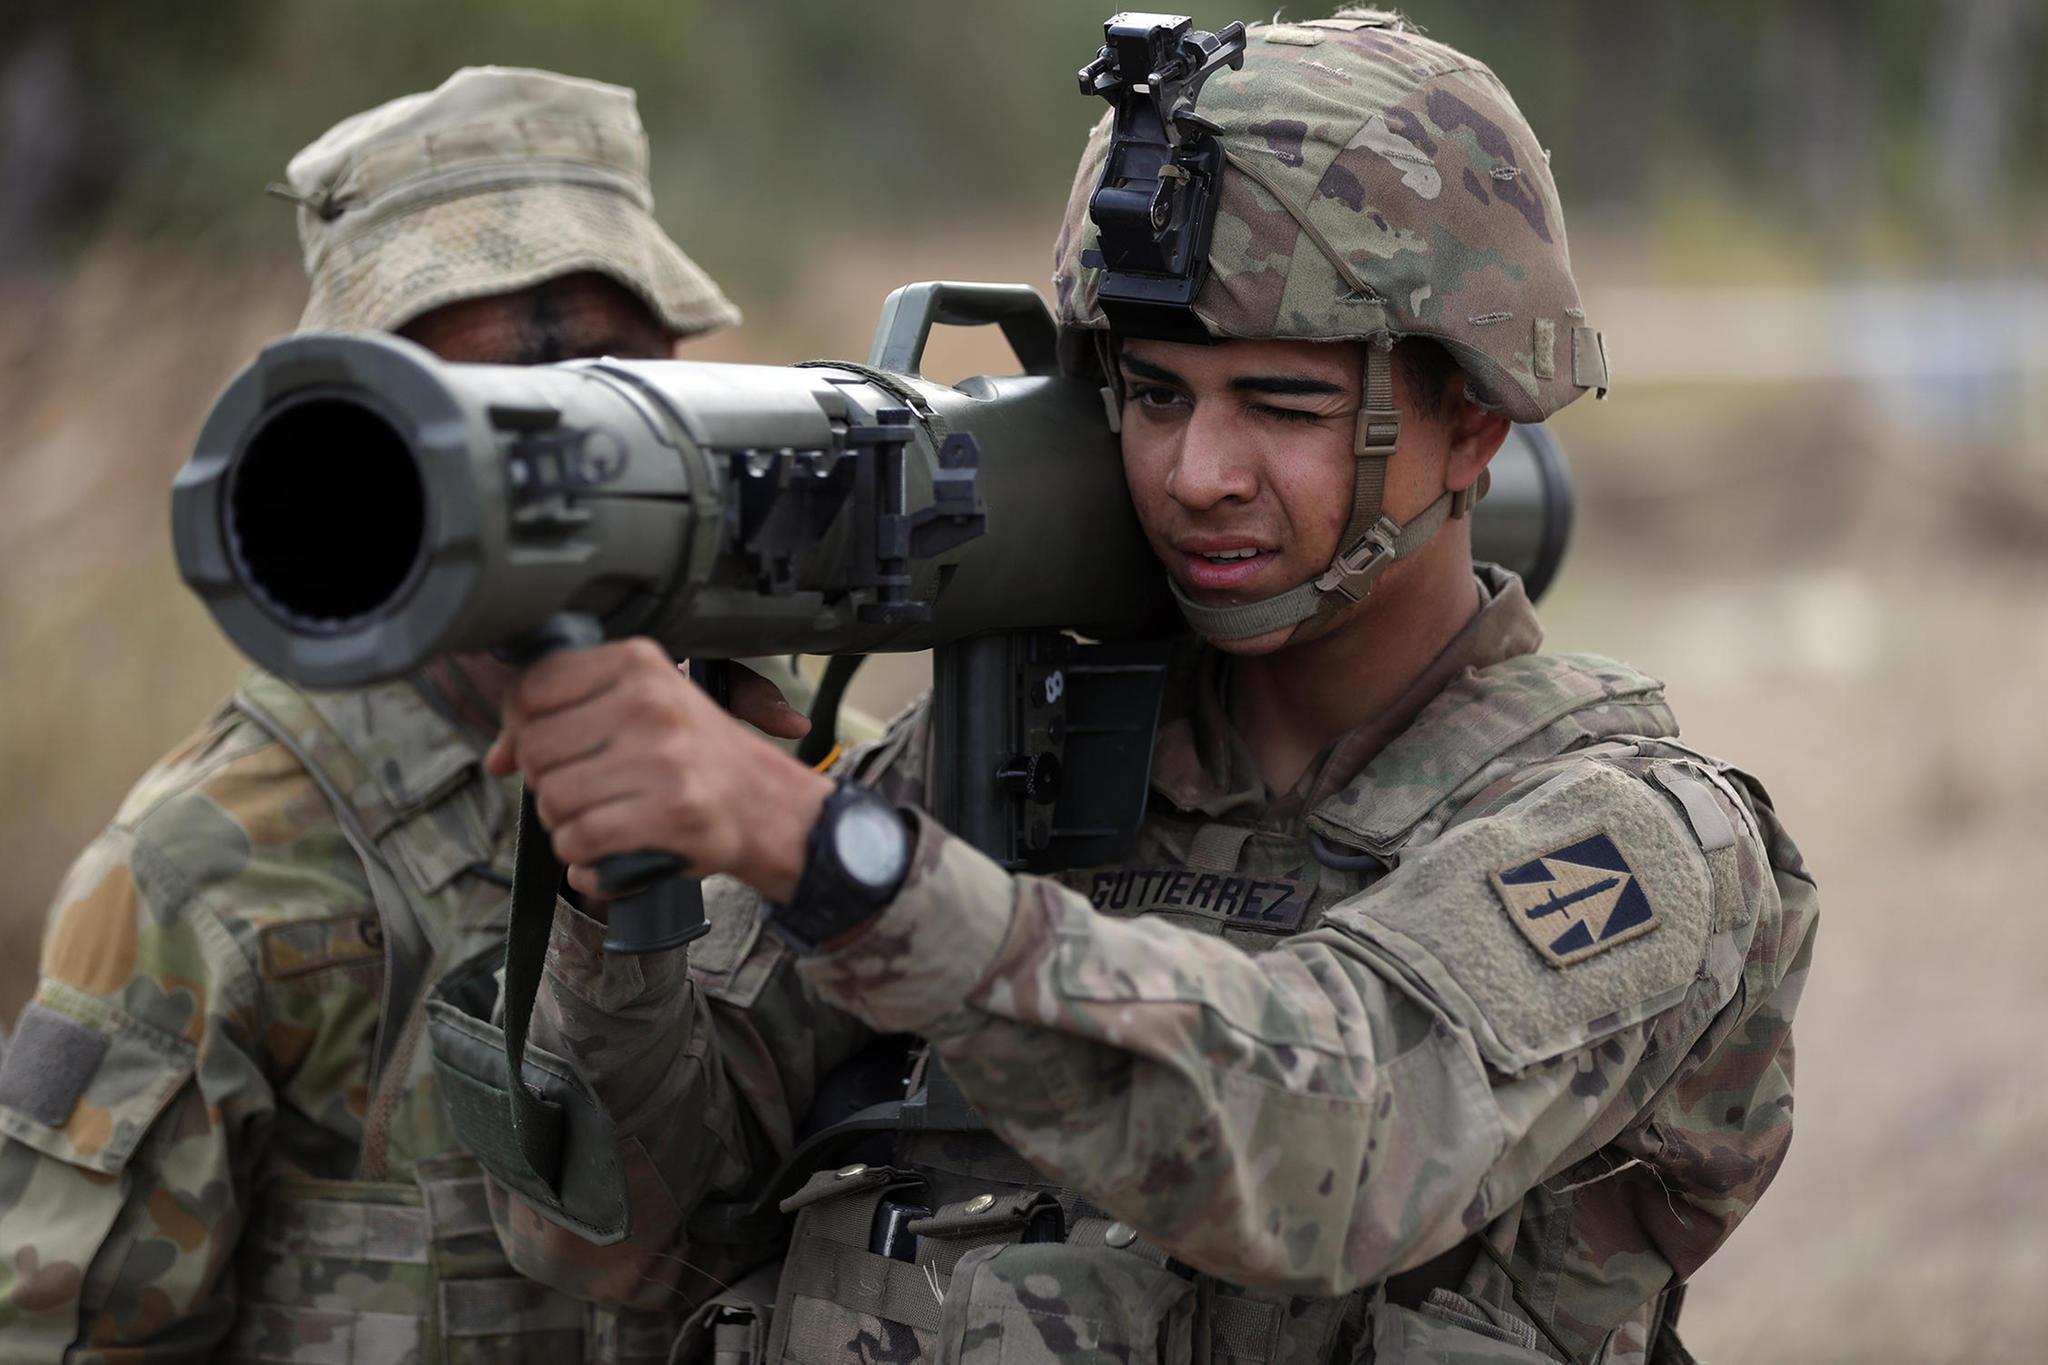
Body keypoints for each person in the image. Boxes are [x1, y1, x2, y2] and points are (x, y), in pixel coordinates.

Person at [477, 13, 1818, 1365]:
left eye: (1282, 407)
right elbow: (623, 1242)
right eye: (1157, 394)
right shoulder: (1016, 758)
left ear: (1471, 419)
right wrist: (625, 907)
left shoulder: (1635, 839)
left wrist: (821, 848)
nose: (1197, 475)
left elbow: (1325, 1146)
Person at [0, 66, 812, 1361]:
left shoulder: (805, 772)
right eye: (502, 406)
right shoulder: (213, 870)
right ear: (364, 440)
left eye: (621, 382)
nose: (581, 459)